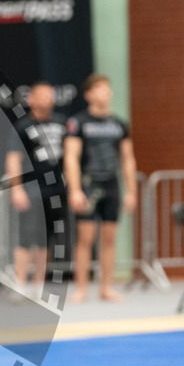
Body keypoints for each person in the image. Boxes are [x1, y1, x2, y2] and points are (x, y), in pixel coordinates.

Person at [64, 74, 138, 303]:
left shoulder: (119, 124)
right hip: (88, 184)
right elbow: (71, 157)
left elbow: (127, 159)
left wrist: (131, 191)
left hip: (111, 184)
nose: (106, 93)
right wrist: (75, 189)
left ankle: (106, 287)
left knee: (109, 237)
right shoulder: (78, 122)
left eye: (108, 89)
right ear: (89, 95)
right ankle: (82, 288)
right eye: (100, 89)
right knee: (86, 237)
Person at [6, 82, 66, 300]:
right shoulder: (23, 127)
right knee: (26, 237)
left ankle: (38, 283)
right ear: (31, 100)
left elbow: (70, 155)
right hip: (31, 189)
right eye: (43, 96)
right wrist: (17, 189)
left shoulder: (61, 123)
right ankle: (20, 283)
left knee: (46, 239)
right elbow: (14, 158)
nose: (48, 100)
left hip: (56, 189)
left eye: (50, 96)